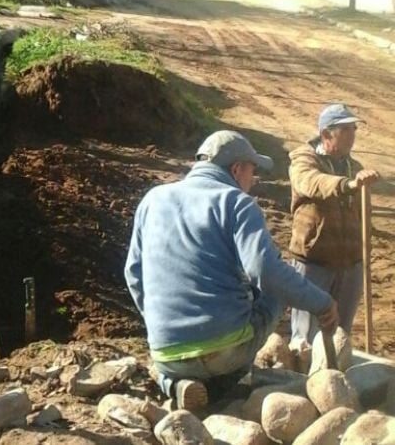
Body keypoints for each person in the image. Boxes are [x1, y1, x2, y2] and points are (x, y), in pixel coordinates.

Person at [125, 130, 339, 410]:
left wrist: (161, 323)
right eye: (252, 171)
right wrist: (322, 304)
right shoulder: (236, 202)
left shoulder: (152, 199)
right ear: (237, 169)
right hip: (224, 350)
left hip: (166, 351)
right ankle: (234, 380)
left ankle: (173, 383)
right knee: (276, 289)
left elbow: (133, 274)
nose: (253, 180)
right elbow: (266, 272)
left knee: (173, 364)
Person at [289, 104, 379, 349]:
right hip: (314, 261)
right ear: (326, 134)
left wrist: (363, 250)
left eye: (353, 129)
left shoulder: (354, 167)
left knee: (340, 337)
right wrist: (348, 185)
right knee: (306, 340)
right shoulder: (303, 159)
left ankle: (334, 370)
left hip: (350, 263)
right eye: (346, 129)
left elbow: (363, 213)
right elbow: (311, 183)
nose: (352, 135)